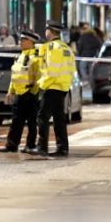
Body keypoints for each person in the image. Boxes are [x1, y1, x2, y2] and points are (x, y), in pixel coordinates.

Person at [35, 21, 76, 157]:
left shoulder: (52, 47)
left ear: (50, 31)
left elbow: (51, 70)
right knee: (59, 118)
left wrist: (42, 84)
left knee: (42, 116)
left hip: (52, 86)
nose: (45, 32)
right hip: (63, 87)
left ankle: (42, 147)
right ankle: (62, 148)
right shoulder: (66, 48)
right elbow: (72, 70)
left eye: (46, 30)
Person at [0, 29, 41, 153]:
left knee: (32, 122)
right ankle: (12, 145)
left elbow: (39, 76)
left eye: (23, 40)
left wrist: (33, 91)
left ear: (31, 42)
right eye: (20, 39)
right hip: (19, 94)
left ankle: (30, 145)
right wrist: (10, 91)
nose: (20, 42)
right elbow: (15, 76)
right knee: (16, 121)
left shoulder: (35, 58)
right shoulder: (20, 56)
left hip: (29, 94)